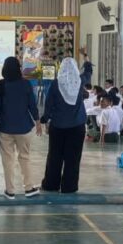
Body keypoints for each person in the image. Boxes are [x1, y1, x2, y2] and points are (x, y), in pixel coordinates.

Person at [40, 58, 87, 194]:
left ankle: (51, 184)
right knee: (73, 158)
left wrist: (45, 118)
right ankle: (69, 186)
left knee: (54, 156)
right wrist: (87, 62)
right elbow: (88, 73)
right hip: (77, 127)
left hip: (58, 126)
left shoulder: (56, 84)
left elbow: (49, 103)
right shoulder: (80, 81)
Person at [0, 57, 40, 199]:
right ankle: (29, 188)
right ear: (18, 68)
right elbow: (32, 105)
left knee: (7, 160)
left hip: (4, 128)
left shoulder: (1, 84)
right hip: (24, 127)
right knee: (24, 157)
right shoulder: (25, 84)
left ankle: (10, 191)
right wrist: (38, 121)